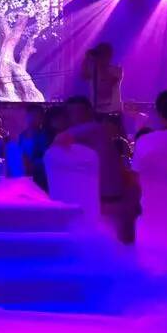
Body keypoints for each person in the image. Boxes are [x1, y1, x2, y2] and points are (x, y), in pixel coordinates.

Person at [54, 96, 136, 243]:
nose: (74, 116)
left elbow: (59, 140)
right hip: (104, 198)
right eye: (71, 113)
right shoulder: (88, 135)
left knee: (115, 245)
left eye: (77, 112)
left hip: (108, 200)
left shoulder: (94, 129)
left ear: (89, 112)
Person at [7, 104, 50, 188]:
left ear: (42, 118)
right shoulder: (21, 135)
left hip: (38, 178)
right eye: (32, 115)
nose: (34, 119)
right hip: (22, 175)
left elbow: (46, 157)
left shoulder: (44, 135)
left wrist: (31, 164)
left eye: (38, 116)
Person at [82, 42, 123, 115]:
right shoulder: (94, 70)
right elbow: (83, 76)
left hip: (113, 111)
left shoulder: (116, 70)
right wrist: (86, 59)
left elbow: (106, 81)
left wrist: (98, 63)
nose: (101, 57)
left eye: (103, 54)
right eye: (100, 54)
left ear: (109, 56)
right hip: (96, 110)